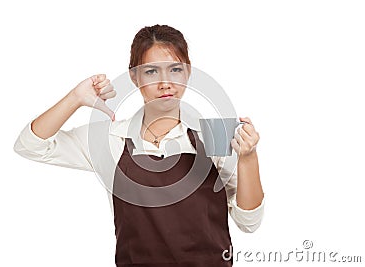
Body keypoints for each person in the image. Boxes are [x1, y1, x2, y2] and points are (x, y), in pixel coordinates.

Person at [14, 24, 265, 267]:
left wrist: (248, 158)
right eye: (151, 71)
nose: (165, 82)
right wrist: (76, 98)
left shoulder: (215, 134)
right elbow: (29, 146)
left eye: (175, 69)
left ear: (188, 72)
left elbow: (249, 222)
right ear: (134, 77)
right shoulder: (109, 138)